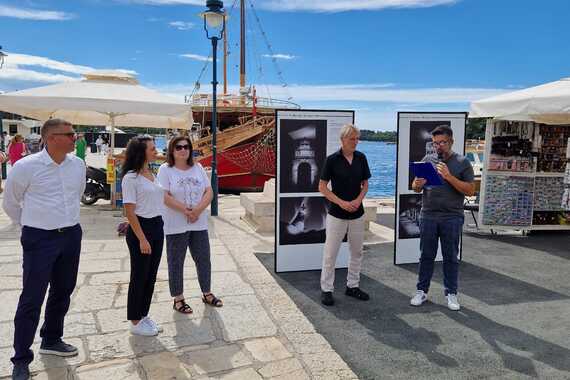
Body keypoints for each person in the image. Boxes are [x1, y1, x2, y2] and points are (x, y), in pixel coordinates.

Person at [2, 119, 85, 380]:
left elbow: (77, 195)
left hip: (71, 234)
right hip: (39, 238)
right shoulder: (26, 167)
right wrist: (31, 226)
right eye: (70, 134)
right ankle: (21, 358)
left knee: (63, 290)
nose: (76, 138)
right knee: (32, 297)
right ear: (51, 138)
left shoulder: (78, 165)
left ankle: (51, 339)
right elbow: (11, 203)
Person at [410, 125, 475, 311]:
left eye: (443, 142)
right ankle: (421, 291)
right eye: (436, 143)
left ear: (451, 141)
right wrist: (417, 183)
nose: (439, 146)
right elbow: (415, 187)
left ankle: (451, 293)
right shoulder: (427, 160)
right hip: (429, 214)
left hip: (451, 216)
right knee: (426, 255)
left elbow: (470, 190)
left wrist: (449, 177)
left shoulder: (462, 162)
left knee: (450, 257)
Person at [157, 136, 222, 315]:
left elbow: (209, 191)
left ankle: (206, 293)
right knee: (176, 261)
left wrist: (197, 211)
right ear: (172, 150)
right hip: (176, 224)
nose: (183, 150)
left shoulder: (198, 167)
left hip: (198, 222)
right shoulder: (165, 170)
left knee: (203, 258)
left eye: (186, 147)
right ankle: (178, 298)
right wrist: (187, 211)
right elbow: (164, 196)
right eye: (179, 147)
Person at [318, 124, 371, 307]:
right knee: (330, 254)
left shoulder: (361, 158)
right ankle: (326, 289)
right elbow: (322, 187)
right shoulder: (332, 160)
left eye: (357, 139)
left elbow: (365, 185)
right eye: (352, 139)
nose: (355, 142)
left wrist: (358, 200)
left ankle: (352, 286)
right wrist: (341, 202)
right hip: (336, 214)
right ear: (343, 140)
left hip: (358, 214)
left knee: (356, 252)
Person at [121, 136, 165, 336]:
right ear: (141, 152)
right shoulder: (131, 178)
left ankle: (144, 313)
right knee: (139, 276)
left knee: (151, 276)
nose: (156, 151)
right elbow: (129, 211)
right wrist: (142, 238)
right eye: (152, 149)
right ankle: (135, 320)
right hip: (142, 228)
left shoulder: (150, 172)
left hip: (157, 225)